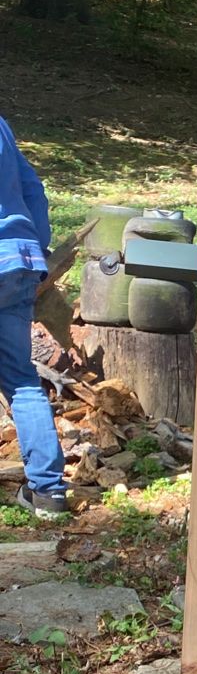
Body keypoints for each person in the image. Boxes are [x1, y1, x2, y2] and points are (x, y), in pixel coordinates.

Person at [0, 115, 69, 517]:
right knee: (21, 379)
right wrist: (35, 245)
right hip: (20, 260)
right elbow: (33, 187)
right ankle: (48, 492)